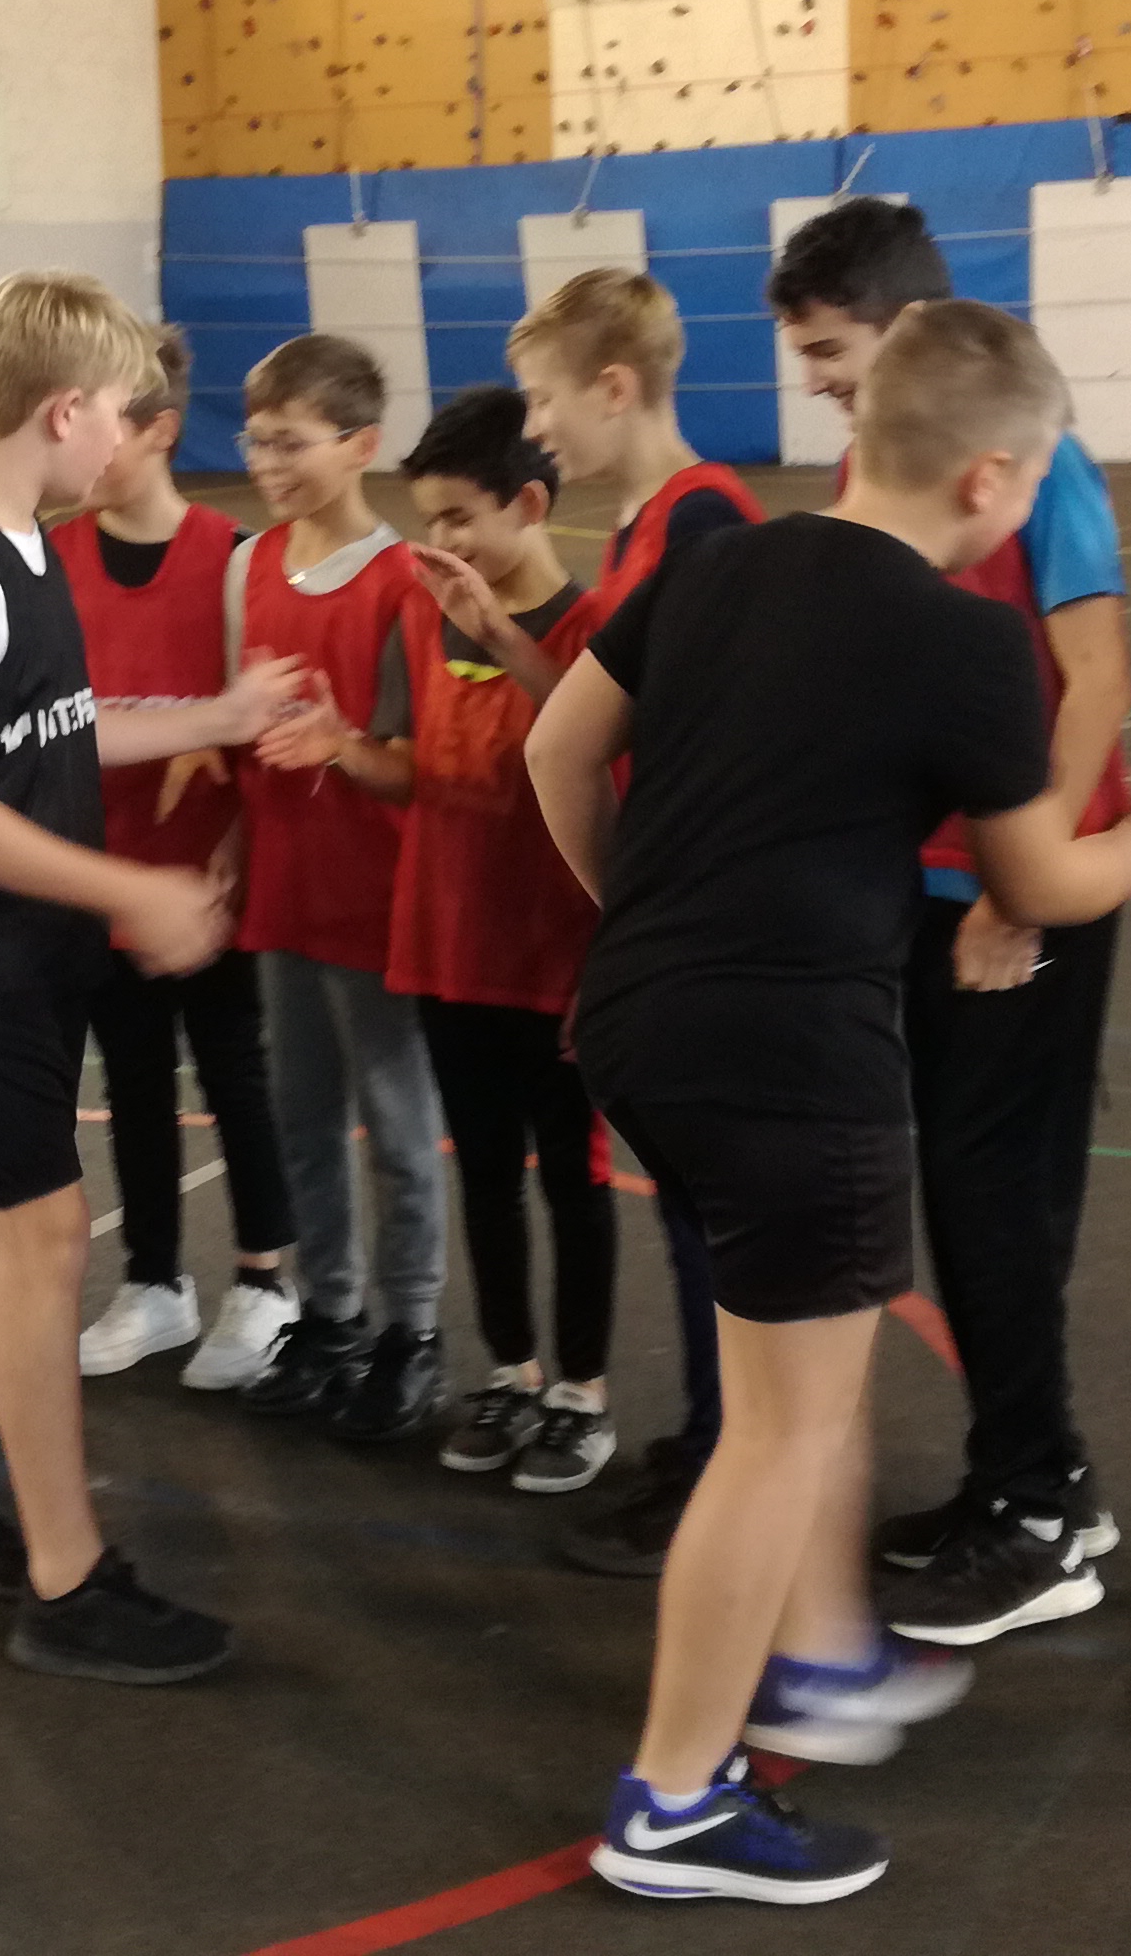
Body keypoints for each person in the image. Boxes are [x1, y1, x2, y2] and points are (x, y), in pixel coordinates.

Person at [532, 300, 1131, 1904]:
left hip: (644, 1023)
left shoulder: (716, 565)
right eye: (1042, 478)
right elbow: (1038, 881)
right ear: (991, 481)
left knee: (790, 1387)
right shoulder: (965, 641)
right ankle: (673, 1800)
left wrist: (643, 919)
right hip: (795, 1062)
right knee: (781, 1434)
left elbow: (556, 750)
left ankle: (810, 1655)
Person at [0, 269, 298, 1683]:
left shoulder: (24, 545)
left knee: (2, 1230)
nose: (125, 439)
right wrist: (132, 889)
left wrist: (214, 715)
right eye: (116, 414)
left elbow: (50, 729)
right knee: (43, 1235)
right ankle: (65, 1575)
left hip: (22, 962)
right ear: (61, 411)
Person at [769, 197, 1131, 1645]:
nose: (815, 378)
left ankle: (1039, 1510)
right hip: (921, 887)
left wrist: (1014, 885)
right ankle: (1026, 1477)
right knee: (970, 1193)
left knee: (998, 1200)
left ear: (908, 327)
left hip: (1019, 889)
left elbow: (1096, 679)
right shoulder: (878, 466)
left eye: (830, 349)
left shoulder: (1043, 463)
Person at [512, 267, 763, 1574]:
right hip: (672, 919)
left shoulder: (703, 525)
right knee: (690, 1213)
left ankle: (732, 1466)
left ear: (613, 387)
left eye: (545, 399)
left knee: (715, 1218)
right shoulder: (645, 525)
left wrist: (639, 925)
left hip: (696, 922)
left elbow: (695, 750)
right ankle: (715, 1440)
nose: (535, 427)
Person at [46, 326, 302, 1391]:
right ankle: (155, 1280)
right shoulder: (52, 558)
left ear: (155, 429)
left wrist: (234, 844)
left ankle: (265, 1278)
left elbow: (262, 719)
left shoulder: (234, 558)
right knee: (133, 1079)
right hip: (102, 872)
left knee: (235, 1070)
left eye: (101, 419)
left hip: (205, 877)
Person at [381, 387, 618, 1493]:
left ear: (528, 504)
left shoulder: (595, 628)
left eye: (459, 517)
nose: (442, 542)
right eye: (427, 519)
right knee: (482, 1169)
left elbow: (601, 759)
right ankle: (511, 1370)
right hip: (450, 946)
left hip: (554, 953)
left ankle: (582, 1391)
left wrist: (501, 635)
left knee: (572, 1176)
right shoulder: (420, 616)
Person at [224, 334, 457, 1444]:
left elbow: (416, 767)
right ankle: (330, 1315)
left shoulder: (403, 581)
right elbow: (238, 727)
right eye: (256, 439)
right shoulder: (250, 566)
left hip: (374, 899)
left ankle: (413, 1330)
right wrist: (229, 840)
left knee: (398, 1126)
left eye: (291, 442)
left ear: (361, 444)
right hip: (284, 887)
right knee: (302, 1116)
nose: (267, 462)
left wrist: (341, 746)